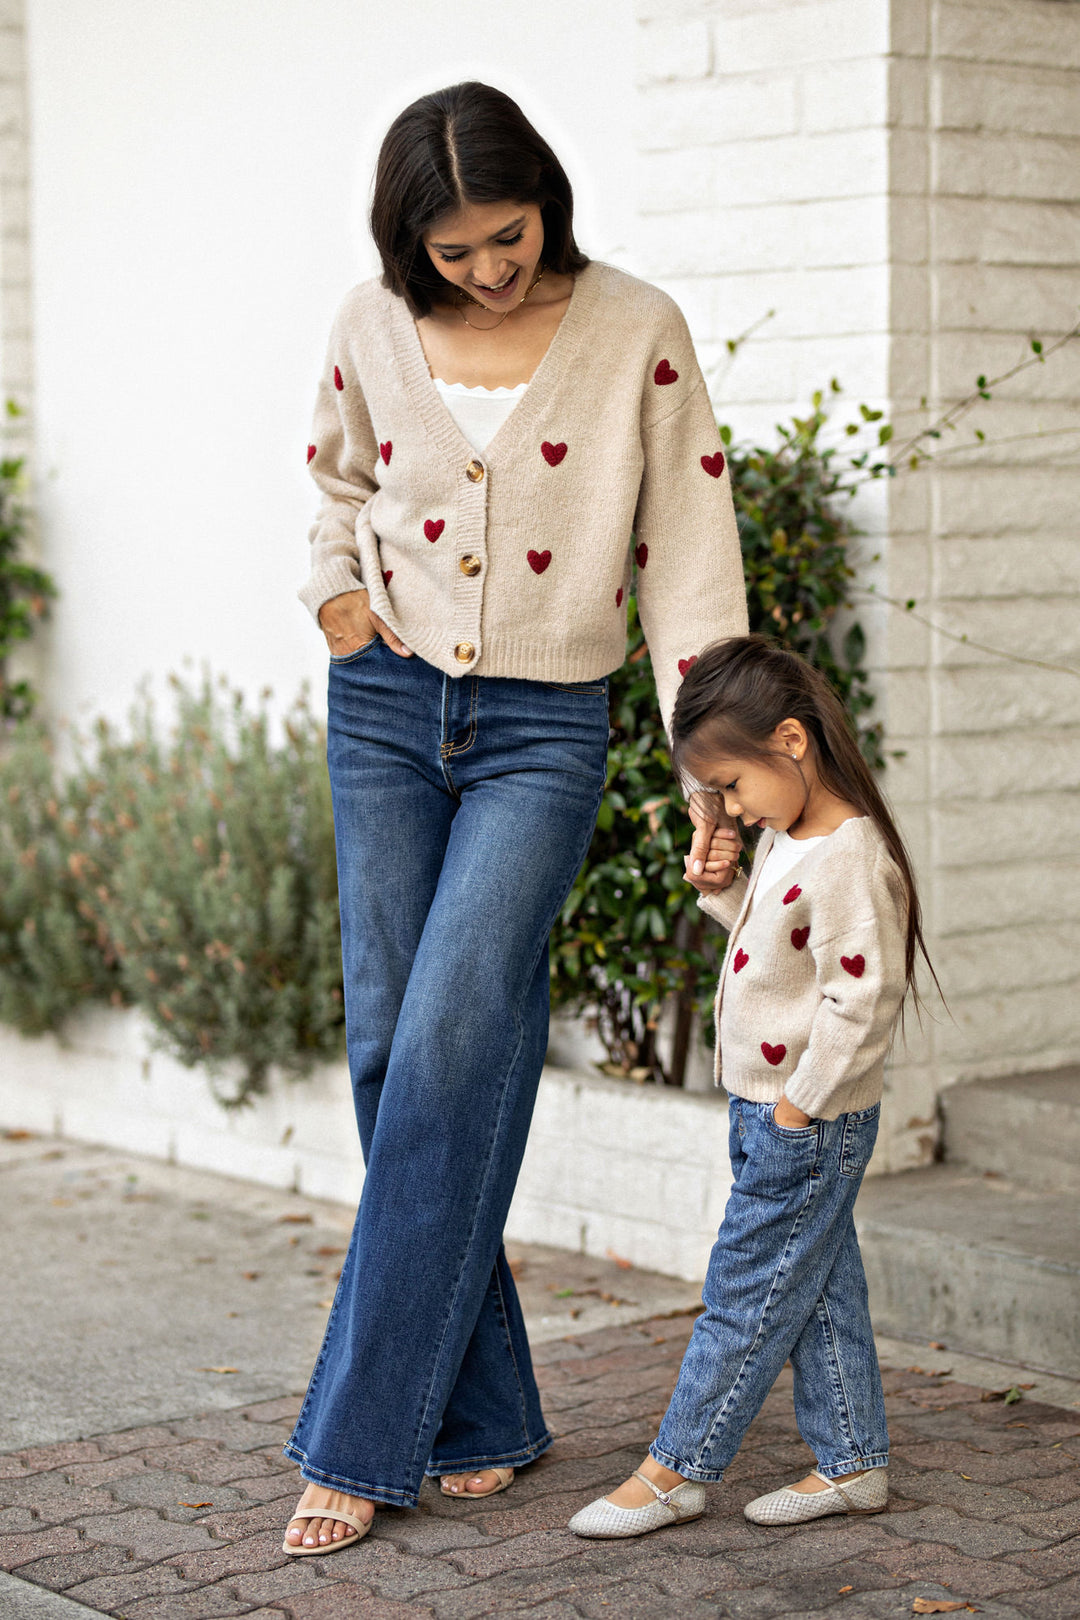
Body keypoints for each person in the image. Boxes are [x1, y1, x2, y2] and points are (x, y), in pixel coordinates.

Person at [281, 81, 748, 1556]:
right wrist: (336, 598)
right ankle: (483, 1410)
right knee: (383, 1048)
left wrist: (711, 775)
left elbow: (690, 562)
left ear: (548, 196)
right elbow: (335, 476)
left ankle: (361, 1440)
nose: (486, 268)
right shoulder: (372, 321)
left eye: (510, 234)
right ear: (408, 240)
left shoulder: (636, 332)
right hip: (385, 707)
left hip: (545, 726)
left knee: (453, 1040)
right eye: (456, 249)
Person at [569, 634, 938, 1540]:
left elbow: (865, 998)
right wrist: (723, 885)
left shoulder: (847, 852)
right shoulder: (790, 835)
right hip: (774, 1109)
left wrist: (795, 1108)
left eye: (732, 784)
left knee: (743, 1292)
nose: (728, 805)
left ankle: (676, 1472)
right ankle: (853, 1462)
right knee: (816, 1281)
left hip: (805, 1117)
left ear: (791, 739)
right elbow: (783, 955)